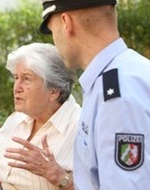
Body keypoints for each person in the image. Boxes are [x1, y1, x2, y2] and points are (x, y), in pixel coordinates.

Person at [38, 0, 150, 189]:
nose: (54, 41)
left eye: (53, 31)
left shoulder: (115, 95)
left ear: (66, 23)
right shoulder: (127, 72)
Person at [0, 42, 81, 190]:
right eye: (16, 77)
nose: (16, 88)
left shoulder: (82, 127)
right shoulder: (16, 120)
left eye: (26, 79)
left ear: (54, 91)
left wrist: (57, 176)